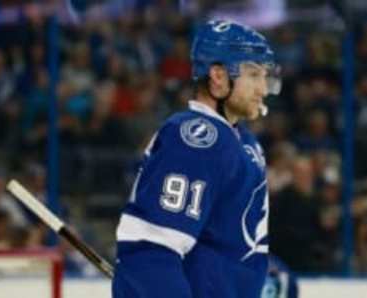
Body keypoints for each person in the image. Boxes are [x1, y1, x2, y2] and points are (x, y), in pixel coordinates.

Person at [112, 19, 279, 298]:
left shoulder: (244, 142)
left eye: (264, 76)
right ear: (218, 76)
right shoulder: (198, 139)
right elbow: (150, 249)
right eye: (253, 75)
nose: (262, 89)